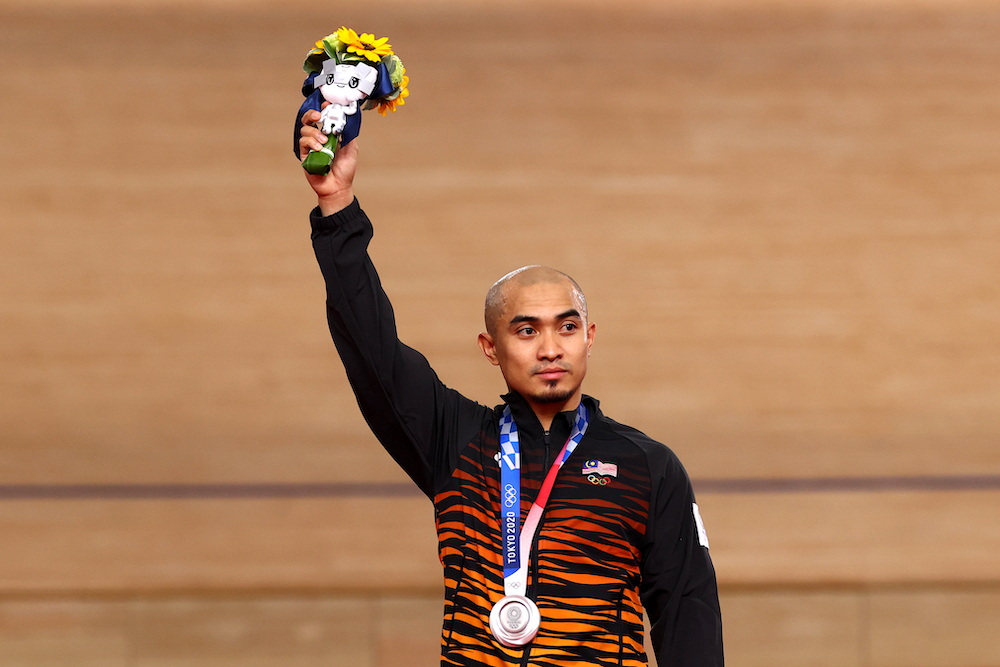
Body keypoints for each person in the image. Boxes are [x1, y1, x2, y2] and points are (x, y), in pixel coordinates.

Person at [299, 109, 724, 666]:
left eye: (566, 327)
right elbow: (372, 351)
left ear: (589, 337)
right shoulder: (454, 441)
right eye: (527, 331)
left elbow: (689, 614)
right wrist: (337, 207)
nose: (551, 348)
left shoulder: (649, 465)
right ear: (490, 347)